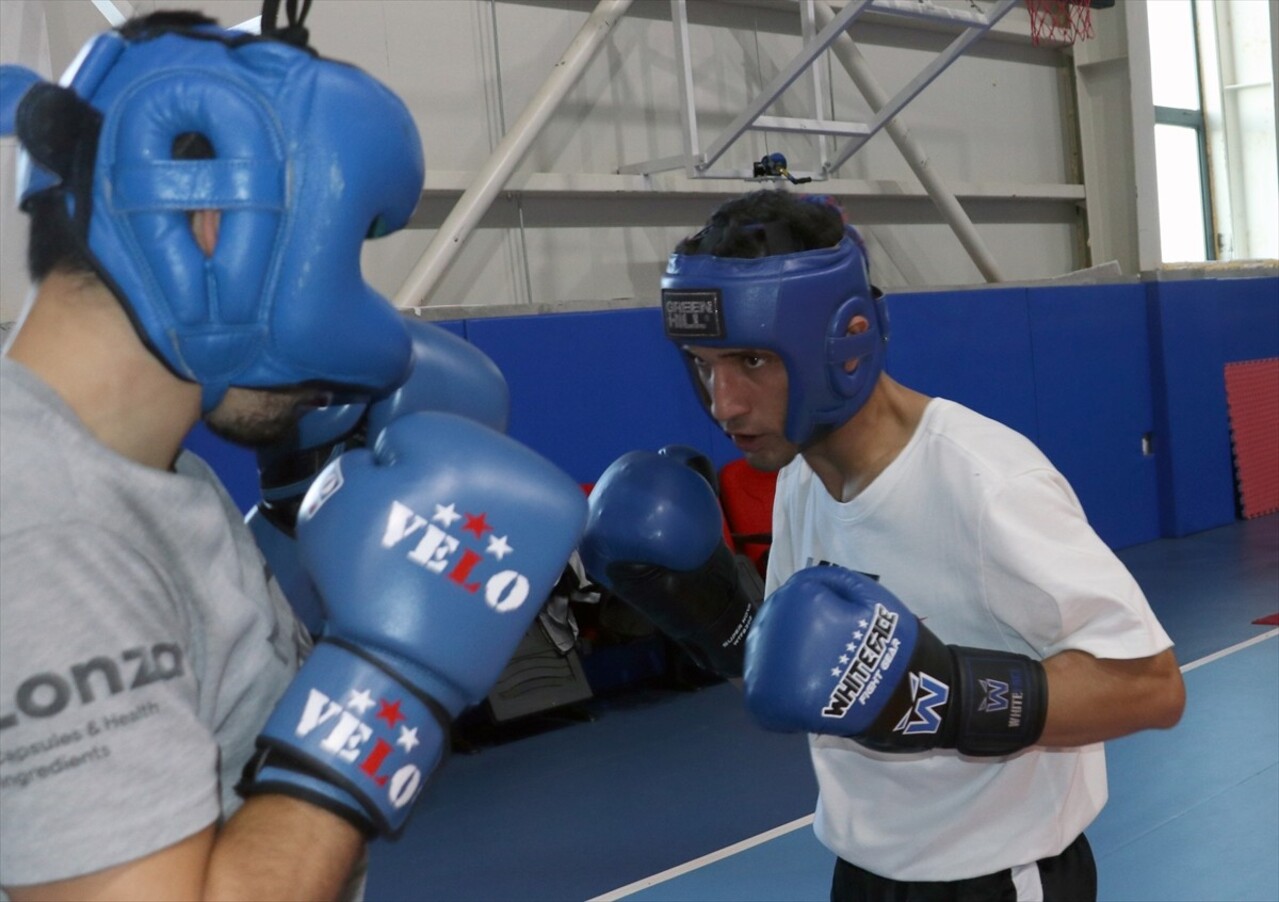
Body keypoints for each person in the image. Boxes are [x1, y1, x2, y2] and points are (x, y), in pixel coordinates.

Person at [0, 8, 586, 901]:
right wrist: (394, 672)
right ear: (205, 220)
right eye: (340, 245)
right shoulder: (46, 528)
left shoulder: (157, 481)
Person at [580, 189, 1185, 901]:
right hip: (864, 871)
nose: (723, 403)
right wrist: (713, 613)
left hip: (994, 878)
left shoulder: (983, 482)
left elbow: (1152, 688)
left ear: (843, 340)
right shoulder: (804, 473)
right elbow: (806, 673)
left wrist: (946, 697)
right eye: (704, 363)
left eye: (750, 360)